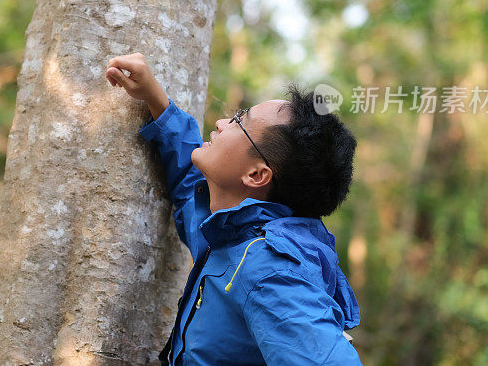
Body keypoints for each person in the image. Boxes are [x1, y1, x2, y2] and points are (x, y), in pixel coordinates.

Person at [105, 52, 362, 365]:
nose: (221, 122)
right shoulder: (231, 234)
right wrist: (155, 98)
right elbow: (191, 184)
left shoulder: (270, 268)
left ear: (256, 175)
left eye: (239, 121)